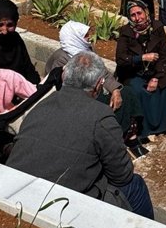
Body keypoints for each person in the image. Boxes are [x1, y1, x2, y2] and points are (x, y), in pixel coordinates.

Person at [6, 52, 154, 218]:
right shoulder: (101, 116)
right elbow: (122, 176)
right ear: (99, 84)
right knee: (135, 185)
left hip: (14, 192)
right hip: (60, 204)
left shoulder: (40, 106)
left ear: (63, 75)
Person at [44, 21, 145, 155]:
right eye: (85, 36)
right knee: (102, 107)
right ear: (75, 37)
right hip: (77, 99)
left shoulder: (88, 50)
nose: (89, 38)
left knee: (127, 93)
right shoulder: (62, 59)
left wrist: (115, 90)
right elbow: (65, 88)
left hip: (95, 90)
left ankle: (130, 137)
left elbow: (102, 72)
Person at [115, 1, 166, 138]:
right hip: (133, 72)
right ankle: (143, 130)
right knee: (138, 92)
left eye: (139, 13)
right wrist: (141, 57)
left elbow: (164, 54)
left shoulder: (157, 27)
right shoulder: (126, 32)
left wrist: (156, 77)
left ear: (146, 12)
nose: (137, 18)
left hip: (155, 71)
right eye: (133, 15)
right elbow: (120, 59)